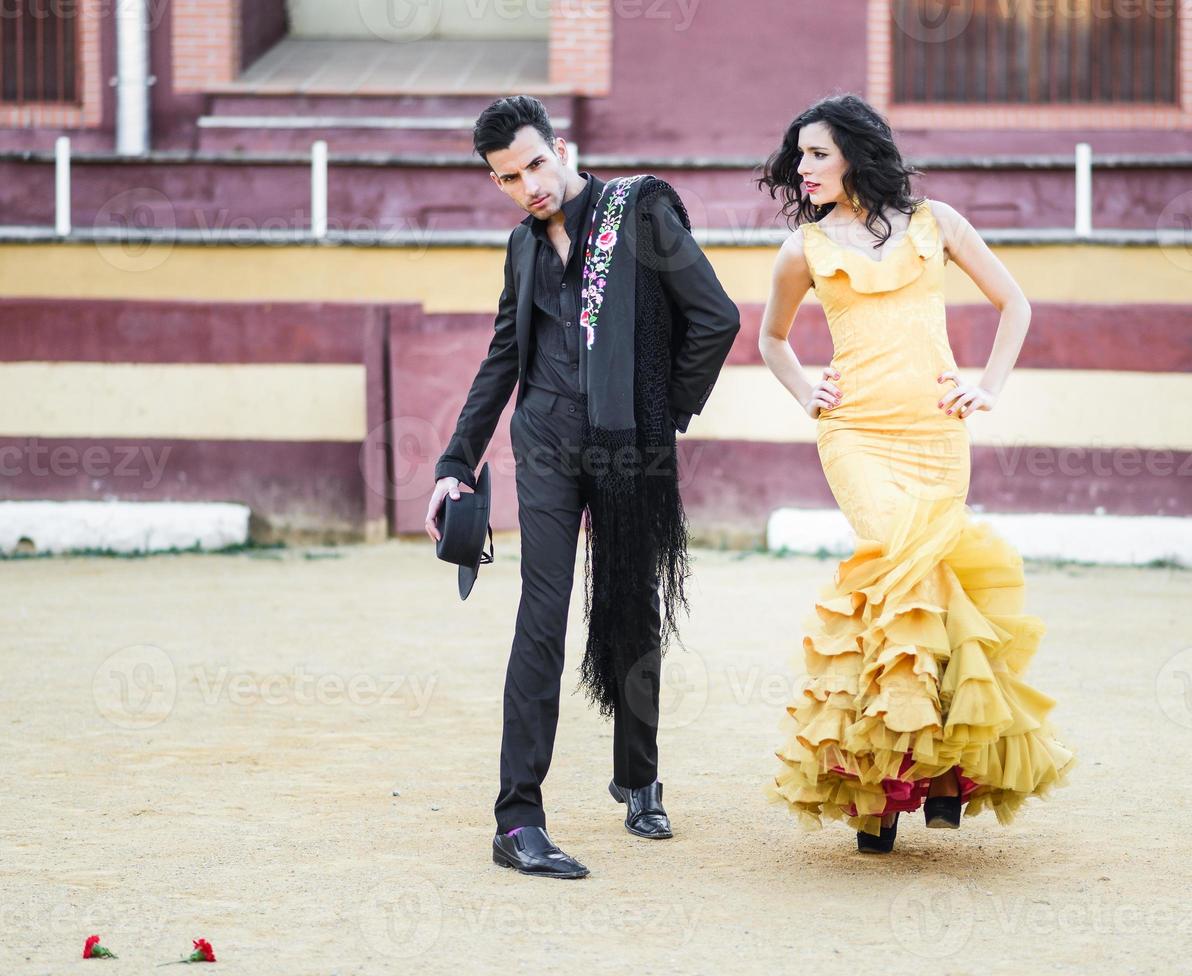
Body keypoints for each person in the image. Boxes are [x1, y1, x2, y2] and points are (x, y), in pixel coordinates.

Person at [425, 96, 741, 878]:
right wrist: (453, 464)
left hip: (628, 447)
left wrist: (659, 410)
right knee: (542, 613)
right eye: (507, 177)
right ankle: (517, 818)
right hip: (545, 448)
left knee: (631, 603)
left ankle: (638, 778)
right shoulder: (521, 249)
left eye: (534, 163)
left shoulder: (637, 213)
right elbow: (503, 358)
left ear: (560, 148)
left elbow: (716, 318)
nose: (528, 185)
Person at [756, 94, 1076, 853]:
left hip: (936, 435)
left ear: (857, 155)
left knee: (934, 595)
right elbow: (770, 339)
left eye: (817, 155)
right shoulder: (802, 248)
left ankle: (936, 780)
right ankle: (876, 794)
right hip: (856, 437)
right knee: (900, 581)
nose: (802, 169)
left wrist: (988, 385)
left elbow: (1014, 303)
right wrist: (808, 391)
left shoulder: (938, 224)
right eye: (798, 156)